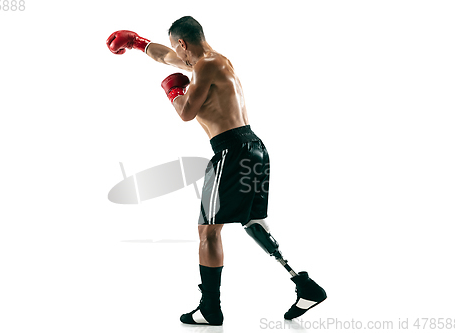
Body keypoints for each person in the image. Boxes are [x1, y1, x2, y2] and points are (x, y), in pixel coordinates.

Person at [106, 16, 327, 326]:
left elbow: (186, 113)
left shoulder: (205, 66)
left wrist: (173, 91)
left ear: (183, 43)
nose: (175, 55)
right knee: (251, 221)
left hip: (231, 152)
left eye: (176, 47)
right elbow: (165, 56)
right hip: (253, 147)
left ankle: (210, 307)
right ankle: (305, 286)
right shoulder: (213, 62)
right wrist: (137, 43)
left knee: (208, 231)